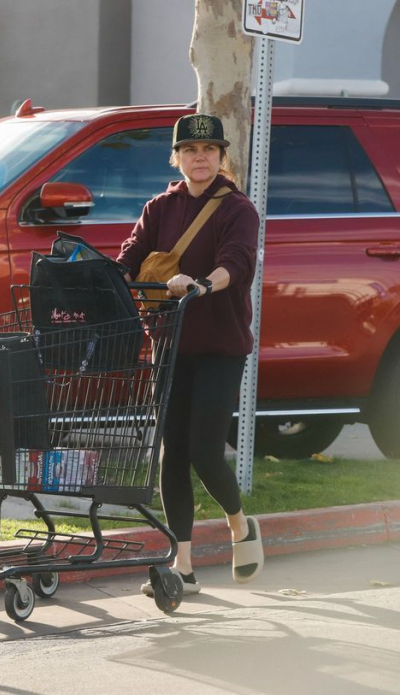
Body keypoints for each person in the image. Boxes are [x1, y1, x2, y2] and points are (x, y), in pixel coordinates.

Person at [117, 113, 264, 596]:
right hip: (169, 343)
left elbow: (237, 264)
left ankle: (241, 525)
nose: (199, 158)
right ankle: (182, 565)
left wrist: (203, 284)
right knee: (172, 453)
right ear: (176, 157)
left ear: (222, 158)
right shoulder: (160, 207)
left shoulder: (237, 209)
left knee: (204, 449)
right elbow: (132, 255)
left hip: (220, 346)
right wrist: (102, 279)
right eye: (190, 151)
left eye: (209, 151)